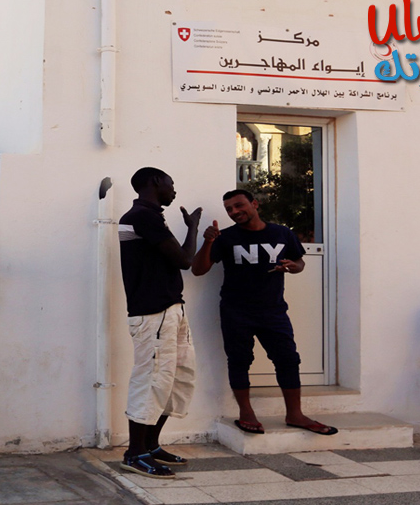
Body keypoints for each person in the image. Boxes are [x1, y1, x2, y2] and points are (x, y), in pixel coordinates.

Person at [192, 189, 338, 437]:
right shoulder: (225, 237)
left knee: (288, 359)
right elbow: (198, 270)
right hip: (236, 311)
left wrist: (293, 267)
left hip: (273, 311)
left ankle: (295, 414)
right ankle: (246, 412)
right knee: (239, 360)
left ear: (255, 204)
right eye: (229, 209)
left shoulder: (282, 233)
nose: (234, 212)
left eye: (239, 205)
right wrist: (208, 242)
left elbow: (299, 262)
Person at [117, 167, 201, 479]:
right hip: (153, 313)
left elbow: (173, 259)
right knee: (152, 379)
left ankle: (150, 445)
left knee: (176, 378)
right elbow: (184, 260)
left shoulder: (150, 216)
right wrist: (193, 228)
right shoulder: (142, 216)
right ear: (155, 182)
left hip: (170, 309)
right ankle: (134, 453)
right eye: (171, 183)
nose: (173, 189)